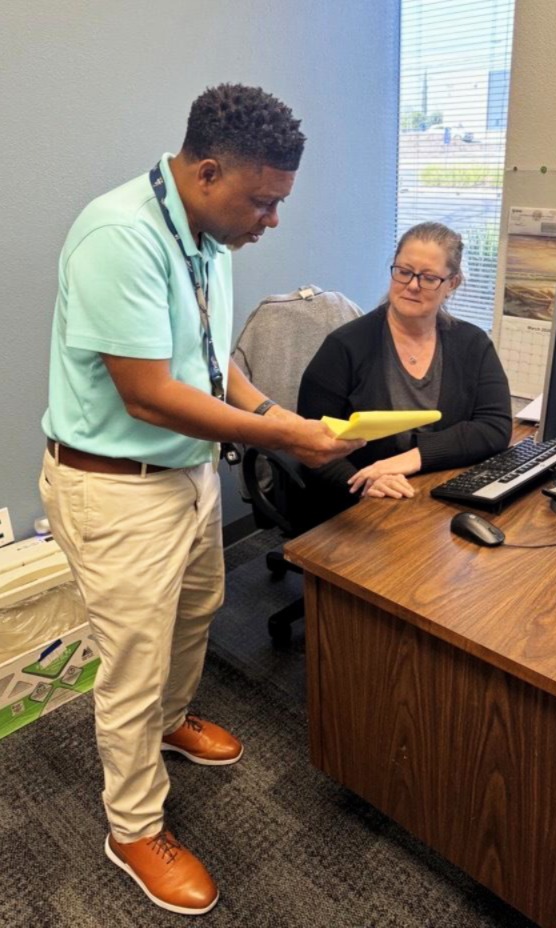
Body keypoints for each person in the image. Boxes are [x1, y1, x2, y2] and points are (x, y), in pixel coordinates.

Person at [38, 83, 363, 917]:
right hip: (115, 489)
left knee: (194, 615)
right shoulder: (120, 237)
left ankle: (173, 721)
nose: (273, 221)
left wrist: (277, 415)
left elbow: (211, 364)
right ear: (208, 171)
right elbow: (148, 393)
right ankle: (133, 827)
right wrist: (285, 440)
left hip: (183, 478)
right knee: (133, 666)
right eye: (263, 201)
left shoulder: (209, 237)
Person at [297, 221, 512, 523]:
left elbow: (495, 427)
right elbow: (311, 445)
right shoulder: (345, 346)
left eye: (428, 278)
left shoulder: (472, 343)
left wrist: (409, 460)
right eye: (403, 271)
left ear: (452, 284)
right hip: (364, 505)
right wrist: (366, 481)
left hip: (440, 495)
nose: (412, 285)